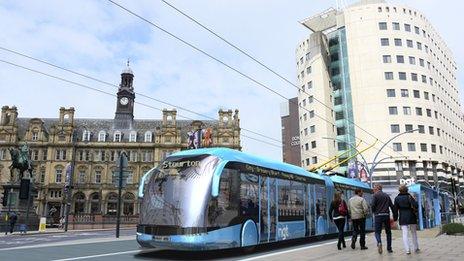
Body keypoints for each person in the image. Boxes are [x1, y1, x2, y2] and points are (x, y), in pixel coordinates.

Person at [371, 184, 397, 254]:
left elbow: (373, 205)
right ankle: (389, 248)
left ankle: (379, 242)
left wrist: (374, 211)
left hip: (378, 215)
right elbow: (392, 206)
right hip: (386, 215)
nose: (373, 189)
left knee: (377, 232)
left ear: (376, 188)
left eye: (374, 188)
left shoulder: (375, 195)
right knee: (388, 232)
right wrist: (395, 216)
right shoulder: (386, 196)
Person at [394, 185, 420, 255]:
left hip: (402, 217)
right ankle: (416, 247)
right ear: (407, 190)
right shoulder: (410, 197)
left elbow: (395, 210)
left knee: (404, 233)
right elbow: (416, 206)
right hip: (411, 215)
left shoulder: (397, 198)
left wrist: (395, 218)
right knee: (413, 232)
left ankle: (407, 250)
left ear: (399, 190)